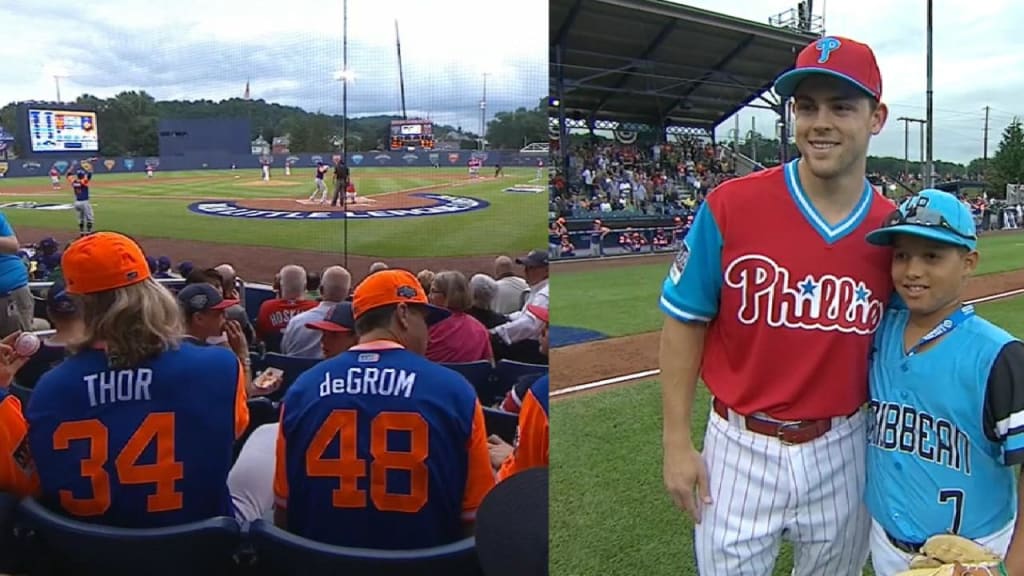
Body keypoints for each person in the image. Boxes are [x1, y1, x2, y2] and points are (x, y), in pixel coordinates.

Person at [658, 36, 894, 575]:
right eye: (806, 106)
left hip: (845, 445)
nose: (820, 122)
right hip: (738, 446)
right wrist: (676, 440)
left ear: (876, 117)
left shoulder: (891, 230)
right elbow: (683, 322)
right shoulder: (731, 205)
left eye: (841, 106)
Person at [25, 232, 249, 527]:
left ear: (78, 304)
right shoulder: (219, 367)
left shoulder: (49, 389)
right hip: (198, 554)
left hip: (87, 557)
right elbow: (233, 431)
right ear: (151, 291)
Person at [862, 189, 1024, 575]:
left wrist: (1010, 569)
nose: (913, 270)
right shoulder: (876, 334)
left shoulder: (1000, 356)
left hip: (975, 553)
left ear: (969, 263)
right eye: (901, 255)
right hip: (885, 542)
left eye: (932, 256)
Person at [273, 269, 494, 549]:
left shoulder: (302, 390)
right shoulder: (456, 392)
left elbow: (283, 511)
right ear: (402, 314)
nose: (428, 333)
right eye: (424, 321)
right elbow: (475, 520)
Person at [69, 168, 94, 237]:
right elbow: (89, 174)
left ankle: (81, 232)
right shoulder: (84, 181)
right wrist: (89, 166)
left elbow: (68, 174)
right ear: (83, 175)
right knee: (90, 218)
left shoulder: (73, 182)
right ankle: (88, 233)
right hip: (84, 202)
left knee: (80, 218)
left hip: (77, 202)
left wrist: (72, 167)